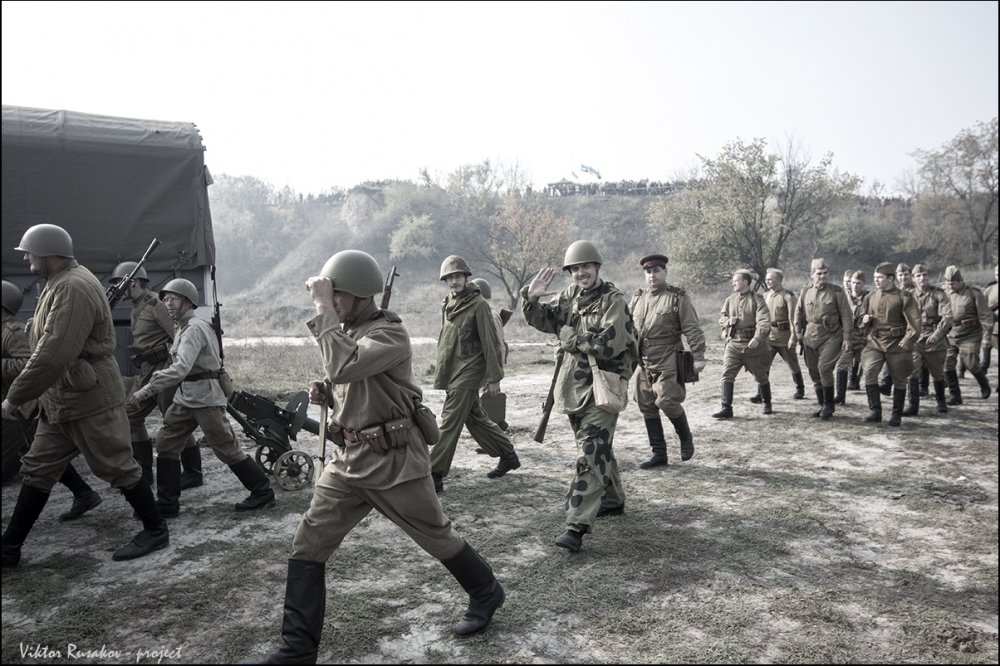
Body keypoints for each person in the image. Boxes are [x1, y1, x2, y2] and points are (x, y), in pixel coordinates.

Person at [249, 250, 504, 663]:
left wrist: (321, 310)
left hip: (394, 461)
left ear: (360, 293)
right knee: (308, 543)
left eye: (336, 294)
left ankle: (486, 591)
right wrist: (327, 393)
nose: (330, 302)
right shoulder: (348, 331)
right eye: (329, 295)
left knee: (436, 535)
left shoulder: (390, 333)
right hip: (348, 461)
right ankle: (297, 649)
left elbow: (347, 365)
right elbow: (349, 379)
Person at [1, 223, 168, 567]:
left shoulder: (72, 286)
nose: (27, 259)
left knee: (118, 466)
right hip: (62, 398)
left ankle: (156, 530)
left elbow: (54, 351)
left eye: (29, 253)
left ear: (47, 253)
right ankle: (9, 547)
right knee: (38, 468)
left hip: (88, 398)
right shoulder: (58, 283)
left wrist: (16, 395)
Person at [522, 240, 639, 552]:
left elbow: (609, 345)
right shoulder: (570, 295)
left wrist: (572, 338)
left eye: (586, 266)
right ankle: (612, 500)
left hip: (603, 387)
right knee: (597, 447)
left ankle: (576, 526)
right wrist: (531, 300)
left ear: (597, 267)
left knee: (589, 452)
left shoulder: (613, 300)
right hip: (574, 387)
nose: (580, 273)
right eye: (574, 269)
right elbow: (548, 321)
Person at [128, 278, 274, 517]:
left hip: (205, 397)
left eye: (174, 298)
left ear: (188, 301)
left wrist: (146, 390)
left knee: (226, 448)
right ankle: (167, 504)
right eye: (166, 299)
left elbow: (180, 368)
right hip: (187, 397)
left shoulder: (194, 328)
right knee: (166, 442)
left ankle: (262, 492)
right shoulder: (183, 328)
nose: (168, 303)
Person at [2, 279, 103, 520]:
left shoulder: (13, 332)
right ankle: (84, 493)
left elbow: (27, 363)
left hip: (18, 406)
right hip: (12, 406)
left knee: (34, 459)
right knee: (39, 455)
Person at [108, 262, 204, 491]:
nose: (118, 288)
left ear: (133, 282)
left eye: (119, 283)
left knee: (173, 421)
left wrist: (178, 367)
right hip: (147, 371)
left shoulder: (156, 304)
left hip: (164, 368)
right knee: (131, 416)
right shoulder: (136, 306)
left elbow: (178, 334)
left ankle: (193, 473)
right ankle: (144, 473)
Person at [430, 256, 520, 495]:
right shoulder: (448, 303)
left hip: (470, 371)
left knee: (450, 420)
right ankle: (507, 454)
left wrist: (494, 378)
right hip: (454, 369)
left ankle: (434, 473)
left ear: (465, 277)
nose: (454, 281)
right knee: (474, 417)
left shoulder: (478, 305)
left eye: (457, 276)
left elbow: (491, 343)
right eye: (449, 278)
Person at [628, 253, 706, 468]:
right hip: (643, 359)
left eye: (656, 271)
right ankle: (659, 453)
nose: (652, 275)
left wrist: (698, 356)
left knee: (666, 400)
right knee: (646, 404)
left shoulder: (677, 298)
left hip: (668, 357)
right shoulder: (638, 298)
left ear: (665, 272)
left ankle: (685, 437)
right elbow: (628, 329)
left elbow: (692, 328)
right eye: (648, 272)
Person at [859, 262, 920, 426]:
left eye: (880, 277)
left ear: (891, 279)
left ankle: (896, 414)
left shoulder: (904, 297)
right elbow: (860, 319)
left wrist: (907, 340)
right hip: (875, 342)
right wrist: (864, 321)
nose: (876, 280)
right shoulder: (870, 296)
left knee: (900, 378)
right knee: (870, 371)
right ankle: (875, 411)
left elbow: (914, 323)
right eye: (875, 277)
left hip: (897, 343)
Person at [793, 258, 852, 420]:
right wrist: (798, 331)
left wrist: (847, 338)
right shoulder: (806, 291)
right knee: (813, 370)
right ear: (812, 275)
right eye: (819, 273)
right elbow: (798, 312)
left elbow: (846, 316)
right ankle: (822, 403)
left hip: (831, 336)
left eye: (825, 273)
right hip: (810, 335)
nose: (823, 276)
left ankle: (829, 405)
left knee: (824, 368)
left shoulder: (837, 291)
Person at [712, 268, 772, 418]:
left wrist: (757, 338)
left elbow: (764, 321)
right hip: (733, 344)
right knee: (727, 375)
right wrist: (727, 321)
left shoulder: (757, 300)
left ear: (745, 282)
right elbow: (722, 317)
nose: (733, 283)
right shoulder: (730, 299)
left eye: (736, 281)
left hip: (751, 346)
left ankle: (767, 402)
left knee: (761, 376)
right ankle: (726, 408)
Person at [748, 268, 805, 403]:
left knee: (792, 364)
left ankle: (800, 389)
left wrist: (794, 337)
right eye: (766, 279)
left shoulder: (788, 296)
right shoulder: (765, 296)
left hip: (784, 337)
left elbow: (793, 318)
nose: (767, 281)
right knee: (763, 365)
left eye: (770, 279)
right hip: (769, 337)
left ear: (778, 280)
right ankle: (760, 393)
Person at [902, 264, 953, 415]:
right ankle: (913, 405)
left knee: (937, 372)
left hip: (933, 339)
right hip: (915, 338)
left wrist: (938, 334)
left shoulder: (938, 294)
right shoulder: (908, 295)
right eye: (918, 276)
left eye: (924, 275)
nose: (922, 278)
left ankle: (941, 401)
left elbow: (947, 316)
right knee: (912, 371)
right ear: (913, 278)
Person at [942, 265, 992, 404]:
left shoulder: (974, 293)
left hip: (970, 334)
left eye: (953, 283)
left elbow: (985, 316)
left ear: (961, 281)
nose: (950, 286)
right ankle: (955, 395)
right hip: (951, 333)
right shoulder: (944, 294)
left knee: (971, 363)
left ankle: (984, 383)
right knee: (947, 363)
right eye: (948, 283)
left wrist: (987, 337)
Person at [469, 276, 511, 432]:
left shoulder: (489, 314)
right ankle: (498, 425)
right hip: (488, 364)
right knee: (487, 399)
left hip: (488, 365)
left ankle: (496, 429)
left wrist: (495, 375)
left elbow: (497, 344)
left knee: (489, 398)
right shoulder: (487, 312)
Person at [833, 270, 869, 403]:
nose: (855, 286)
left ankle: (872, 396)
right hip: (848, 337)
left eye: (858, 283)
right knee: (842, 364)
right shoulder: (843, 297)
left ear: (864, 284)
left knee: (868, 366)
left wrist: (868, 318)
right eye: (853, 282)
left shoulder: (869, 298)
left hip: (863, 338)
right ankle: (840, 396)